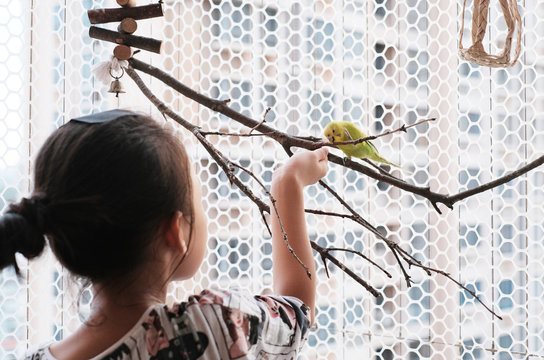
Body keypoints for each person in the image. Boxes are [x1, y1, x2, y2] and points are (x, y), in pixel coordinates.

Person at [0, 110, 329, 359]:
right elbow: (297, 309)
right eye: (198, 202)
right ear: (174, 231)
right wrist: (288, 183)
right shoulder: (211, 326)